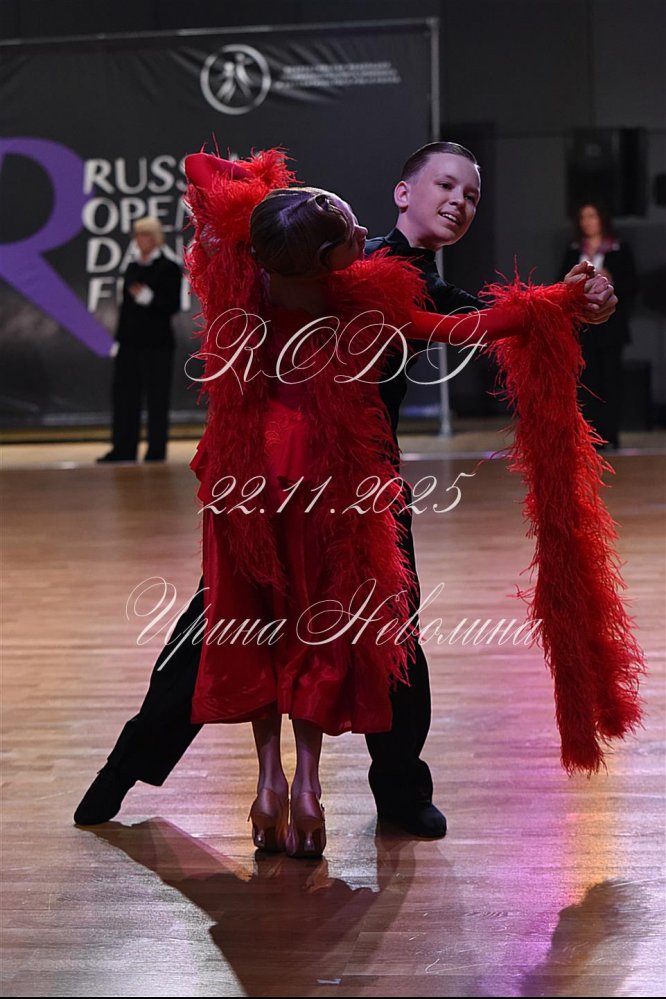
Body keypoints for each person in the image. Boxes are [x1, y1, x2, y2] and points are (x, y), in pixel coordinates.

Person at [74, 143, 616, 847]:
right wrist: (275, 199)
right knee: (218, 624)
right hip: (288, 479)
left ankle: (396, 790)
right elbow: (475, 319)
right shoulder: (338, 254)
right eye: (446, 185)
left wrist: (575, 304)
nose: (459, 201)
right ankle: (131, 765)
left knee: (382, 629)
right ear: (402, 193)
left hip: (355, 486)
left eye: (472, 195)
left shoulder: (395, 278)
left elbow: (480, 318)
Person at [97, 217, 182, 464]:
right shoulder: (132, 267)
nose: (140, 240)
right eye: (137, 235)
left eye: (144, 235)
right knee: (124, 397)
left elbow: (172, 305)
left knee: (157, 399)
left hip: (157, 346)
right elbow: (125, 309)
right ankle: (123, 449)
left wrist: (150, 299)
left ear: (155, 238)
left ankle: (156, 451)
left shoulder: (168, 268)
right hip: (129, 344)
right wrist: (120, 339)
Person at [560, 200, 639, 450]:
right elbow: (560, 286)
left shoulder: (618, 248)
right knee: (587, 381)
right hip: (583, 328)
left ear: (602, 219)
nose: (587, 222)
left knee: (611, 381)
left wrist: (611, 279)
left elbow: (633, 284)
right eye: (583, 217)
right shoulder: (574, 250)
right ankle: (590, 436)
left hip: (612, 327)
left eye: (592, 216)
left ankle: (610, 435)